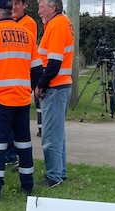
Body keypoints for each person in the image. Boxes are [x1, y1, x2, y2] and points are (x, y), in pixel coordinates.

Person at [0, 0, 42, 201]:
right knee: (23, 143)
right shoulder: (27, 34)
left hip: (0, 100)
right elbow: (37, 69)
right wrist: (28, 90)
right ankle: (27, 186)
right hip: (21, 99)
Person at [34, 0, 73, 187]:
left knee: (50, 135)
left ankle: (54, 176)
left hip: (55, 87)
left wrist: (41, 84)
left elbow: (54, 63)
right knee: (57, 134)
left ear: (52, 7)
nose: (39, 10)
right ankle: (60, 172)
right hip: (60, 86)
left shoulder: (57, 24)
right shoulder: (60, 23)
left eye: (41, 6)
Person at [12, 0, 40, 137]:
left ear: (24, 5)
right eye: (11, 3)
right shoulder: (8, 22)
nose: (13, 7)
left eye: (17, 3)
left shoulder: (29, 23)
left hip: (22, 76)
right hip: (7, 76)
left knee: (19, 122)